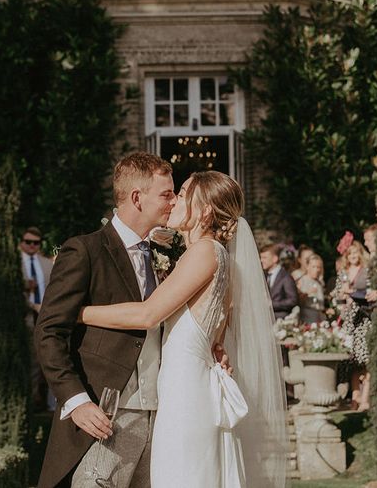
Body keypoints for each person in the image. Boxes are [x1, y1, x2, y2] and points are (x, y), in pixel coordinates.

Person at [80, 170, 287, 488]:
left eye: (184, 192)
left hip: (186, 394)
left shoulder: (204, 251)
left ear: (204, 210)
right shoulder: (212, 254)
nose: (174, 198)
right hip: (187, 385)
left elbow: (148, 314)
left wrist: (79, 313)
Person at [19, 226, 54, 411]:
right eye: (28, 242)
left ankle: (42, 400)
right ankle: (29, 400)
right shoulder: (15, 263)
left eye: (36, 243)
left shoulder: (47, 264)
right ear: (21, 243)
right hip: (24, 316)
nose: (32, 245)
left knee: (44, 358)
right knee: (30, 360)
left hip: (45, 316)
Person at [260, 243, 298, 320]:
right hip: (265, 319)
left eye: (264, 257)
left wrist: (271, 304)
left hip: (281, 320)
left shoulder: (286, 277)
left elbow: (292, 300)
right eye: (261, 257)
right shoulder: (264, 275)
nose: (261, 260)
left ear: (275, 259)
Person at [297, 254, 326, 324]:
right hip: (307, 318)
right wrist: (307, 293)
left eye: (318, 267)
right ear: (307, 267)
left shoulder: (320, 283)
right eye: (313, 267)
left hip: (320, 318)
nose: (316, 270)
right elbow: (297, 300)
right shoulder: (302, 280)